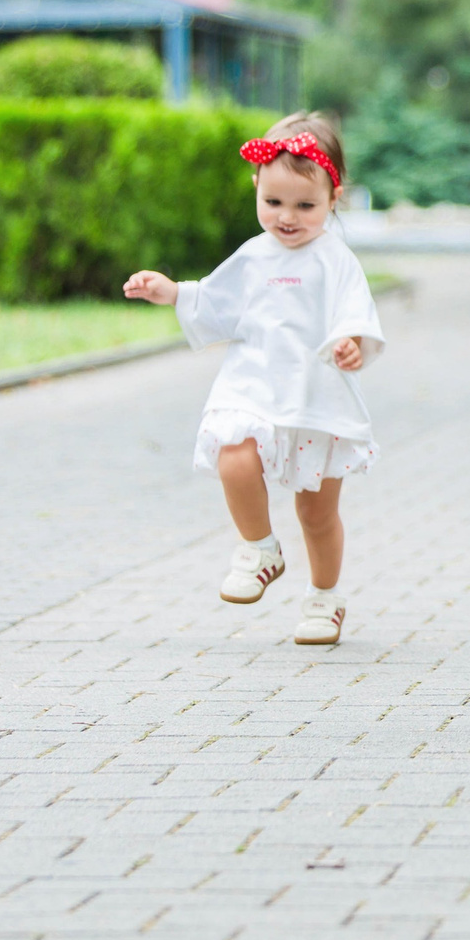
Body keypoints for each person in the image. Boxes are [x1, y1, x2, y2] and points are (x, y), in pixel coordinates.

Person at [123, 113, 384, 648]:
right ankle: (259, 547)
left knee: (316, 511)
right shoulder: (253, 254)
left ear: (334, 197)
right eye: (274, 201)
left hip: (315, 394)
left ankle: (324, 598)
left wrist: (352, 343)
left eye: (305, 205)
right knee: (233, 453)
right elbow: (215, 301)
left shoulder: (335, 259)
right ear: (256, 188)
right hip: (253, 385)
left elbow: (356, 315)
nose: (287, 217)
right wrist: (172, 292)